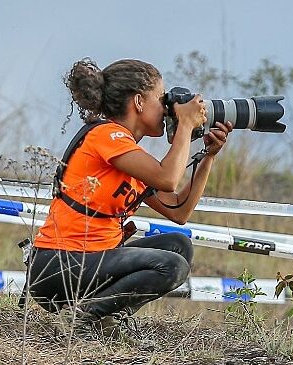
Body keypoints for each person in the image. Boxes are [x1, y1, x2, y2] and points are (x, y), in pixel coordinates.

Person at [27, 57, 231, 331]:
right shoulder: (106, 137)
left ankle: (108, 316)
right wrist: (184, 125)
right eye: (161, 98)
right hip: (59, 265)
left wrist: (208, 156)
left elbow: (179, 211)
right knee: (172, 267)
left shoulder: (129, 153)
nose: (167, 108)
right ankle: (81, 318)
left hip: (91, 261)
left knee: (179, 246)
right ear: (138, 102)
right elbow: (168, 179)